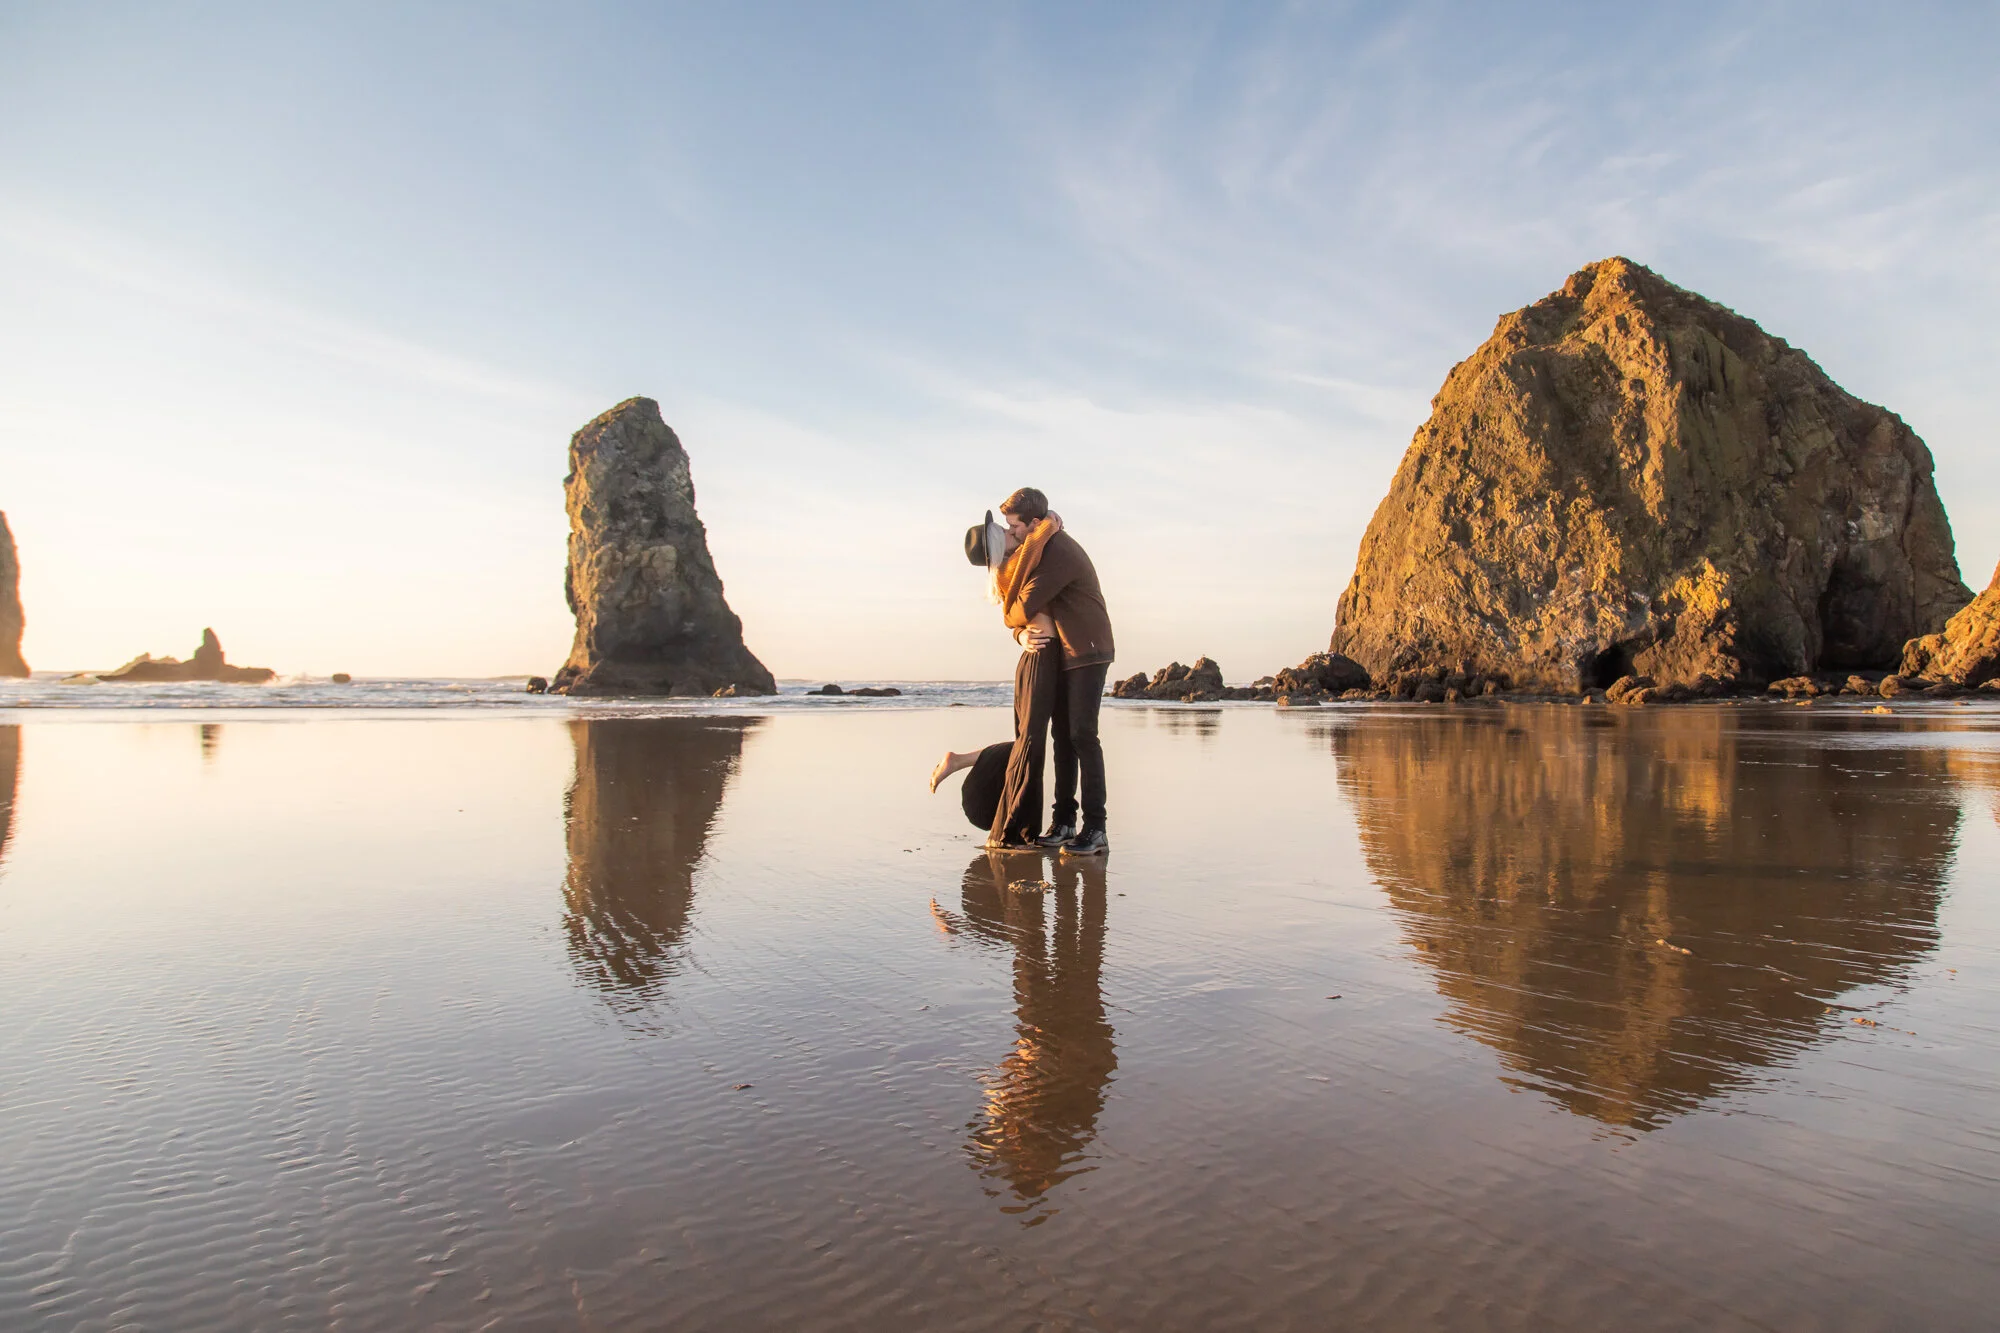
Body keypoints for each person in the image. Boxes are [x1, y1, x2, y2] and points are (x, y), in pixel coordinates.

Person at [956, 488, 1115, 856]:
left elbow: (1023, 604)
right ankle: (1064, 822)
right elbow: (1023, 609)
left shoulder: (1055, 551)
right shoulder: (1037, 551)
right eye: (1008, 530)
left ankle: (1096, 828)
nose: (1010, 533)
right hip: (1067, 652)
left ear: (1033, 525)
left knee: (1082, 737)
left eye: (1013, 528)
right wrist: (1019, 632)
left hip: (1088, 650)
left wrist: (1013, 622)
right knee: (1063, 737)